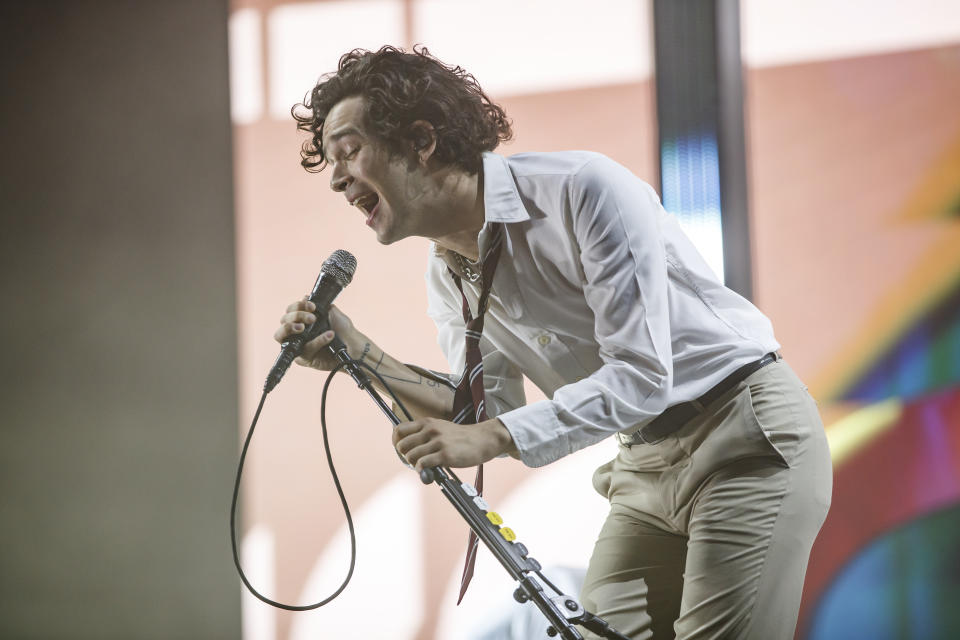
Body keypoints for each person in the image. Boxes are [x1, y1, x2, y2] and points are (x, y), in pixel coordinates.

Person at [274, 45, 832, 640]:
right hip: (643, 463)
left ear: (421, 140)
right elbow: (489, 411)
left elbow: (641, 376)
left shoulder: (582, 189)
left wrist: (485, 436)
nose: (336, 179)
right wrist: (359, 353)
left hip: (742, 434)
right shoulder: (446, 273)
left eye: (349, 152)